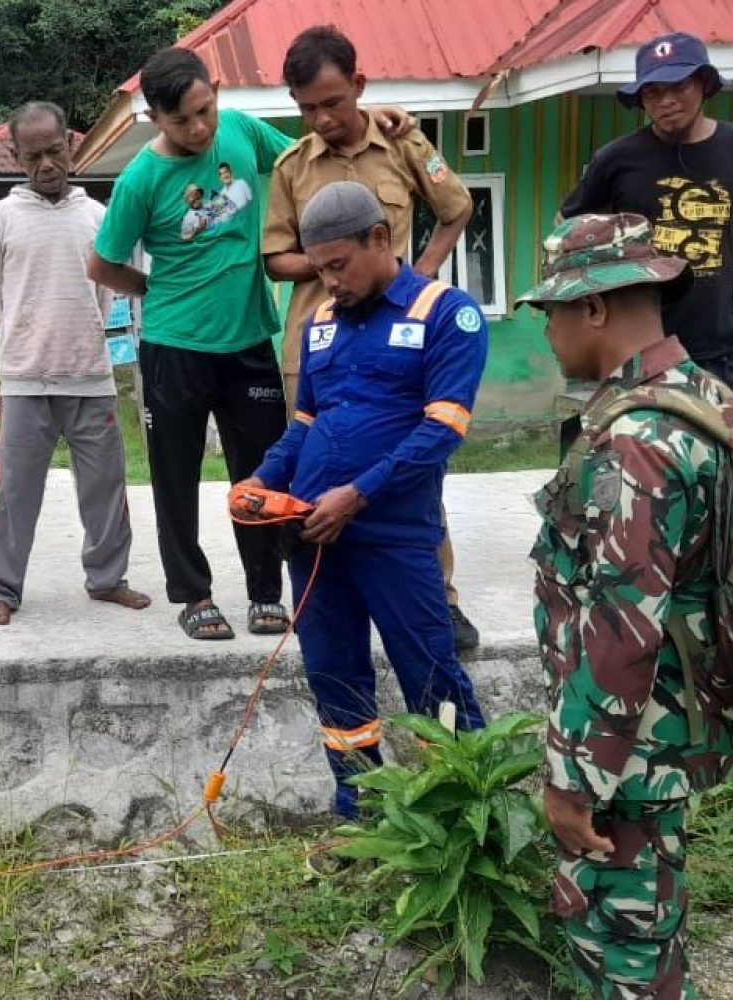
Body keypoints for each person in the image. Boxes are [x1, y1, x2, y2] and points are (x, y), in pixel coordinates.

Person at [87, 46, 415, 641]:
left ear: (216, 92)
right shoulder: (142, 177)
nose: (198, 127)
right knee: (175, 476)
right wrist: (154, 290)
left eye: (204, 110)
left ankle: (266, 592)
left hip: (247, 345)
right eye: (181, 119)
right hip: (174, 348)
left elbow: (307, 155)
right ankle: (193, 595)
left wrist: (378, 118)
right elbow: (102, 263)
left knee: (264, 473)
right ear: (153, 119)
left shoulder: (240, 131)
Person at [517, 213, 733, 999]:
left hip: (630, 755)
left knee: (620, 947)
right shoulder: (704, 397)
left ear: (595, 308)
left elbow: (622, 627)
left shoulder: (636, 440)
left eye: (550, 310)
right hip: (674, 726)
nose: (545, 329)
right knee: (648, 928)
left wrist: (574, 779)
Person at [240, 181, 487, 820]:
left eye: (337, 266)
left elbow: (441, 431)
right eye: (318, 270)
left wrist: (357, 495)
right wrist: (262, 480)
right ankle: (361, 812)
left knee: (431, 674)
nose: (327, 283)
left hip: (396, 538)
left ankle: (463, 817)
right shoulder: (322, 322)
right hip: (314, 538)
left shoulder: (445, 313)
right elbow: (305, 422)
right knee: (332, 674)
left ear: (380, 240)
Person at [263, 24, 482, 653]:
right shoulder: (291, 166)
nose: (321, 118)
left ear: (358, 86)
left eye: (331, 102)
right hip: (319, 344)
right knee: (315, 471)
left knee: (414, 469)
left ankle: (439, 599)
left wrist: (419, 276)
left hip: (399, 342)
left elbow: (457, 207)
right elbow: (276, 256)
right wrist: (335, 261)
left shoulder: (401, 141)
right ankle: (329, 598)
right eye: (307, 107)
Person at [0, 102, 151, 627]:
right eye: (33, 156)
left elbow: (109, 293)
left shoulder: (99, 217)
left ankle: (107, 579)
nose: (46, 164)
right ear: (15, 156)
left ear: (70, 147)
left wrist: (80, 339)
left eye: (54, 151)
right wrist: (29, 341)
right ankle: (3, 589)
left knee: (105, 486)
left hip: (90, 377)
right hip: (25, 380)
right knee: (13, 494)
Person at [558, 32, 733, 403]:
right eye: (652, 92)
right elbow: (567, 223)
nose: (666, 101)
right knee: (639, 454)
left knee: (731, 454)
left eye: (678, 86)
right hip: (638, 353)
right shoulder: (616, 158)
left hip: (718, 351)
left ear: (704, 84)